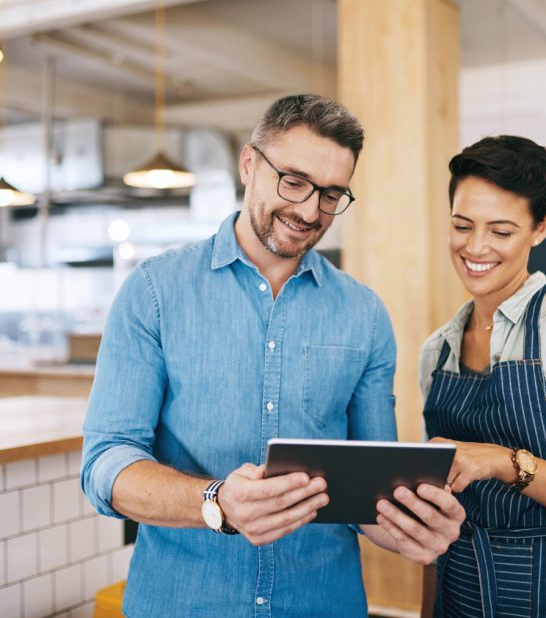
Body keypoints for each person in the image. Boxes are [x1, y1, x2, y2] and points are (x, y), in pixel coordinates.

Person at [82, 94, 463, 617]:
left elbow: (369, 492)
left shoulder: (365, 314)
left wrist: (410, 531)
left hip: (322, 603)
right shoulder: (153, 292)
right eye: (295, 181)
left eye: (331, 194)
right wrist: (214, 503)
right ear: (248, 163)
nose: (309, 211)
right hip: (182, 602)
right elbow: (106, 465)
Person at [420, 135, 546, 618]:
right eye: (462, 225)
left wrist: (500, 461)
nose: (475, 247)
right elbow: (432, 510)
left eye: (501, 231)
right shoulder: (437, 350)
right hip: (457, 593)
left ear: (539, 230)